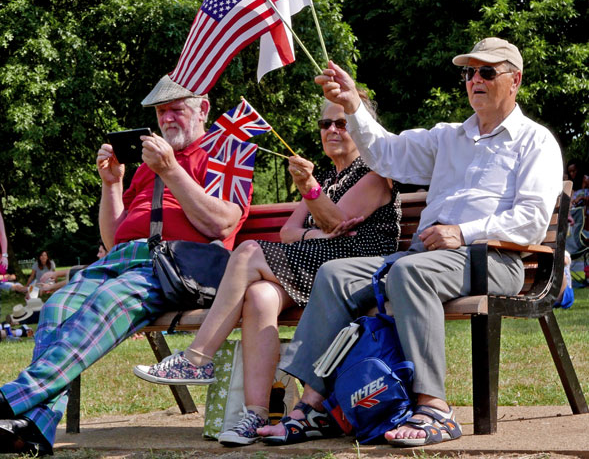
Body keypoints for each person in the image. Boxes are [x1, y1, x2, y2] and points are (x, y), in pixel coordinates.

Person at [259, 37, 563, 448]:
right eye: (469, 72)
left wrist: (463, 233)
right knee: (334, 275)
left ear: (515, 81)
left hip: (493, 257)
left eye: (487, 72)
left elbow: (529, 220)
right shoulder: (447, 138)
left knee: (408, 272)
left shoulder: (535, 141)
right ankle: (313, 407)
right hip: (424, 257)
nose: (475, 79)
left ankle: (434, 407)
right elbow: (386, 154)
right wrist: (352, 106)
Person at [133, 91, 402, 446]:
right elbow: (290, 232)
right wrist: (317, 223)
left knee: (247, 252)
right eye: (325, 123)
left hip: (353, 272)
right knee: (259, 296)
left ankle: (198, 357)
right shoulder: (325, 177)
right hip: (317, 266)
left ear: (361, 126)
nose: (332, 129)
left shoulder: (373, 171)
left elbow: (337, 221)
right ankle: (255, 415)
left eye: (342, 122)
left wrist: (310, 195)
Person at [0, 75, 249, 456]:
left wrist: (171, 170)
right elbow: (115, 237)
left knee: (110, 301)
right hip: (123, 258)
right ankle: (35, 427)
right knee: (57, 307)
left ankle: (11, 399)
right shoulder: (149, 164)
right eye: (161, 111)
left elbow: (223, 223)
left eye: (176, 109)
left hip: (176, 266)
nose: (166, 118)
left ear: (203, 109)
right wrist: (112, 185)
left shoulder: (224, 152)